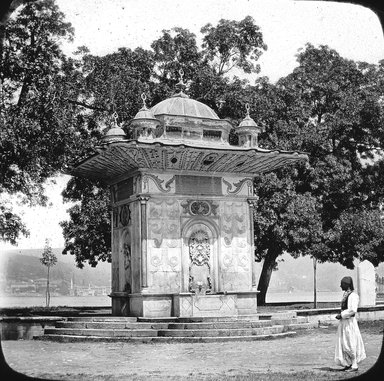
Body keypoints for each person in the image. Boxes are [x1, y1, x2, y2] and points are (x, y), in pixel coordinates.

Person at [334, 276, 366, 372]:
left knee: (351, 342)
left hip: (349, 323)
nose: (340, 286)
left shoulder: (353, 296)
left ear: (347, 285)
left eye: (342, 284)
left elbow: (353, 311)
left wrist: (342, 315)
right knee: (344, 343)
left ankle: (354, 365)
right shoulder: (345, 295)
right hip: (344, 323)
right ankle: (348, 363)